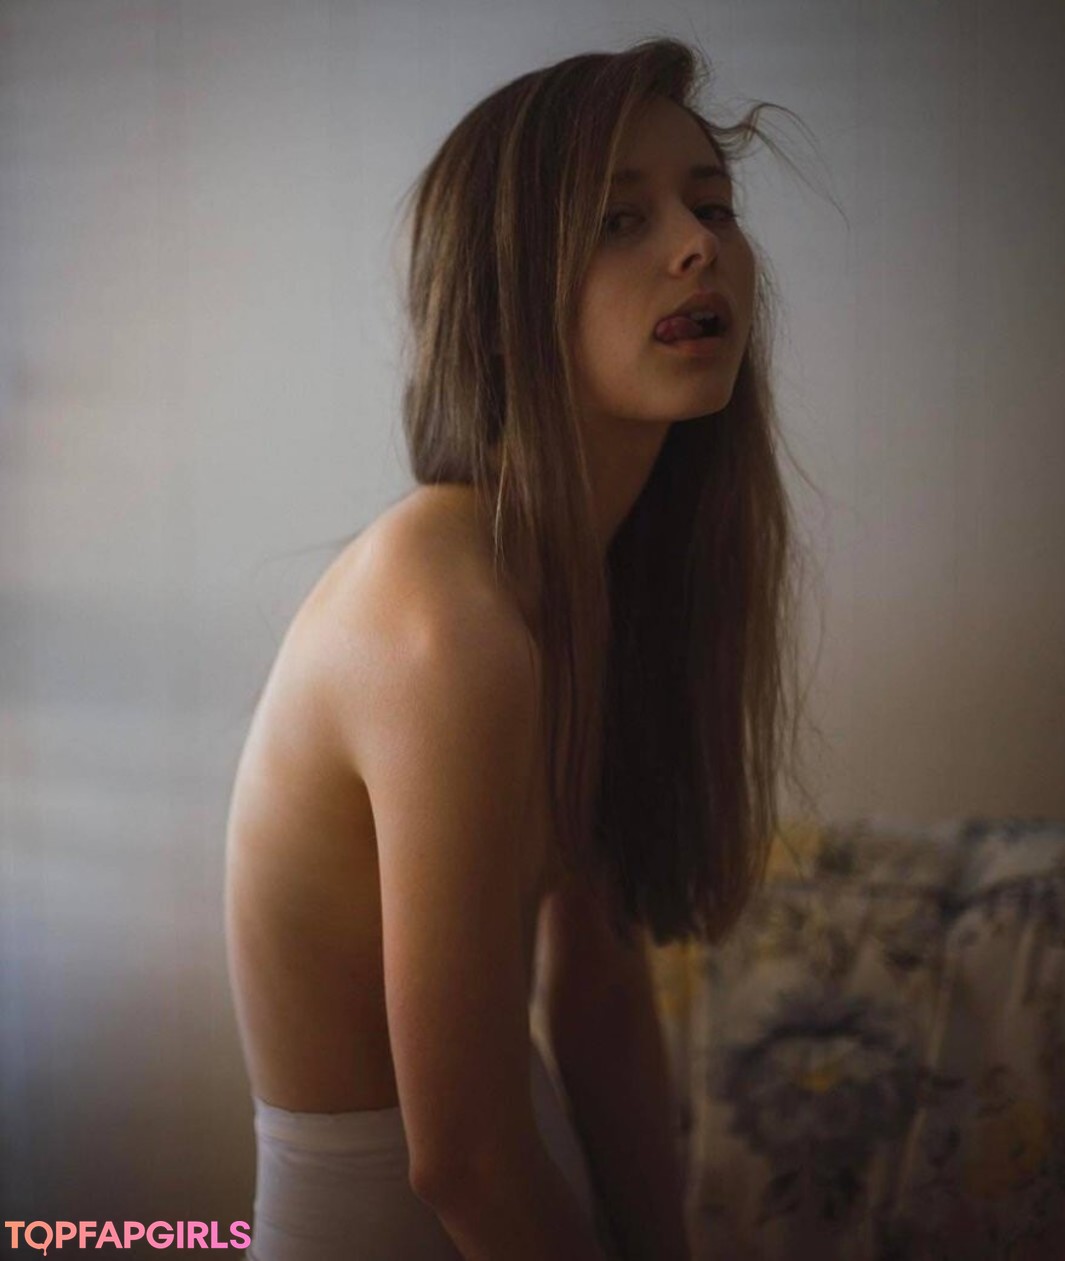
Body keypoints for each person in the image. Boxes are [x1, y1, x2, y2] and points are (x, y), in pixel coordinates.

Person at [225, 34, 812, 1261]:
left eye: (711, 205)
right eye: (619, 221)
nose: (697, 245)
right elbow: (462, 1159)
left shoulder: (595, 583)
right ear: (503, 302)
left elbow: (596, 996)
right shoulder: (442, 609)